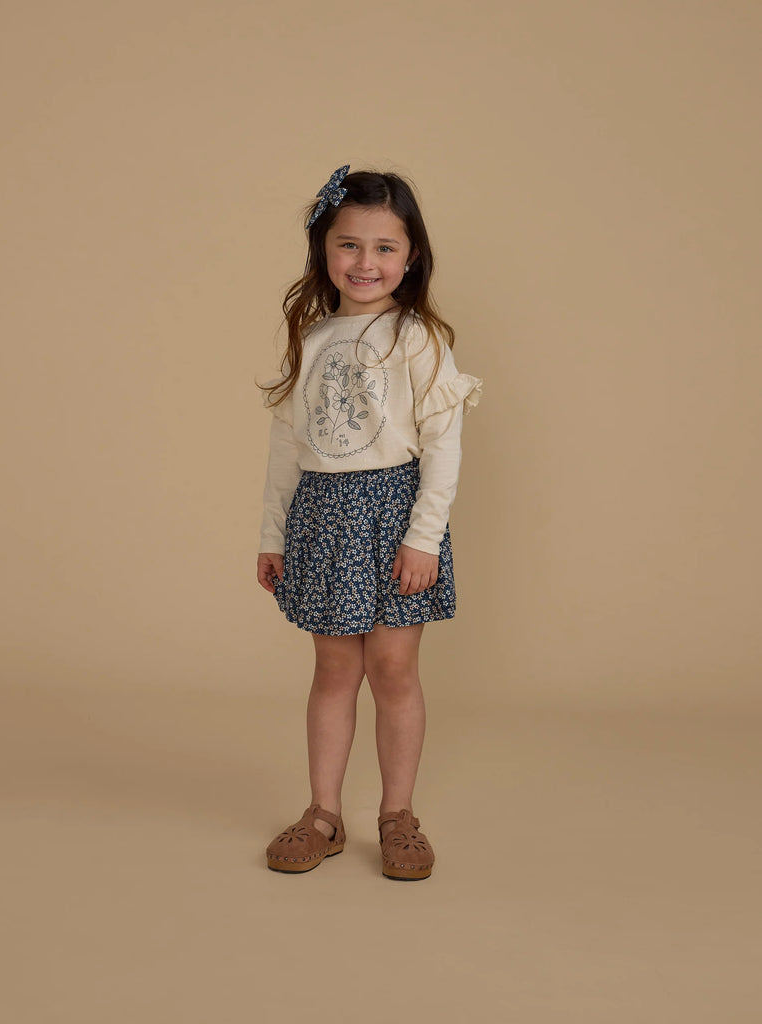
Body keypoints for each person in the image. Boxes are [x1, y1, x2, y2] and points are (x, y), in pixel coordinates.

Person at [257, 165, 482, 880]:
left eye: (385, 247)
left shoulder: (417, 337)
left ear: (410, 256)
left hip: (394, 517)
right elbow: (287, 446)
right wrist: (272, 535)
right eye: (348, 244)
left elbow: (442, 446)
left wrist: (423, 537)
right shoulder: (312, 337)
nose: (365, 262)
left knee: (392, 669)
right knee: (333, 670)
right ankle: (323, 814)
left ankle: (397, 815)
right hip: (323, 518)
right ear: (323, 249)